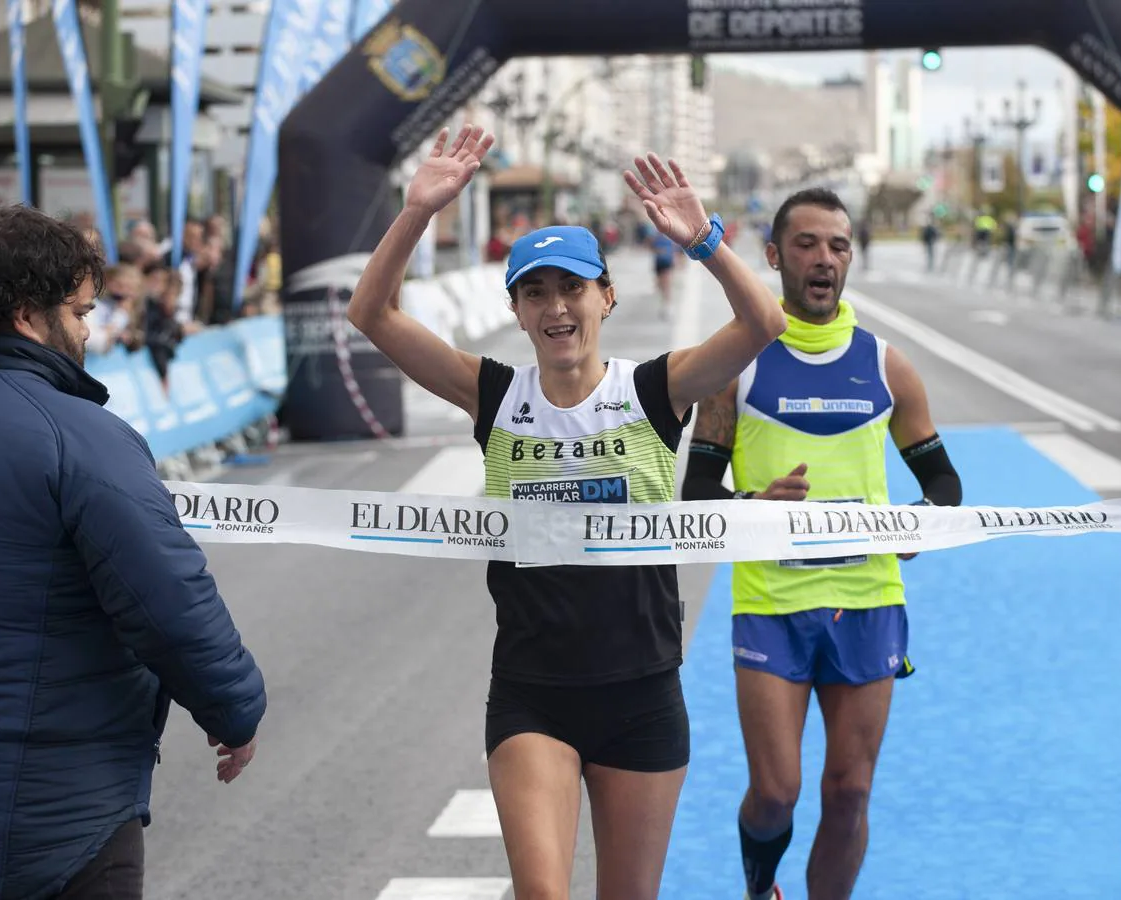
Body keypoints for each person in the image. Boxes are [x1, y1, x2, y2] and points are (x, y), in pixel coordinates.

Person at [348, 125, 785, 900]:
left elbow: (762, 326)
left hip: (642, 690)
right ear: (516, 311)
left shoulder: (653, 390)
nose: (556, 307)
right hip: (533, 691)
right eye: (535, 292)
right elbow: (371, 314)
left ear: (606, 297)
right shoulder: (493, 394)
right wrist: (416, 210)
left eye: (572, 287)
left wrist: (706, 240)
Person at [0, 205, 267, 899]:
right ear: (23, 314)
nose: (89, 330)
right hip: (53, 817)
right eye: (79, 311)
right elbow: (167, 602)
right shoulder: (79, 436)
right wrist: (234, 709)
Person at [681, 187, 963, 900]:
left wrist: (916, 528)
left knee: (850, 793)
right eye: (806, 243)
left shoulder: (886, 364)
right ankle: (760, 886)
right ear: (774, 257)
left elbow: (946, 488)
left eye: (838, 246)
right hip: (772, 601)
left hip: (868, 599)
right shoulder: (734, 366)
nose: (824, 259)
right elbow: (695, 497)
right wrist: (752, 504)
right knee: (776, 792)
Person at [650, 228, 679, 320]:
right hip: (659, 263)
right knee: (660, 285)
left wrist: (675, 260)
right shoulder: (656, 237)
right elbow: (652, 247)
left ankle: (668, 305)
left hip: (667, 263)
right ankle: (665, 303)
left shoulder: (670, 236)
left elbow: (675, 250)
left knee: (666, 285)